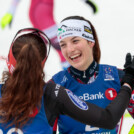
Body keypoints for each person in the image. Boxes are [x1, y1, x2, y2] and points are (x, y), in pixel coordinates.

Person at [0, 27, 134, 134]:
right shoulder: (53, 94)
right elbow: (108, 119)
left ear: (8, 59)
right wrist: (128, 82)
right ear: (41, 64)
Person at [52, 15, 134, 134]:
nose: (69, 50)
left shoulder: (120, 78)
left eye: (75, 41)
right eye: (63, 44)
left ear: (90, 42)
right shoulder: (56, 85)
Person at [0, 0, 98, 70]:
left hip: (39, 13)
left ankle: (20, 70)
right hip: (42, 14)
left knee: (35, 49)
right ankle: (73, 79)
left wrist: (11, 12)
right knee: (62, 47)